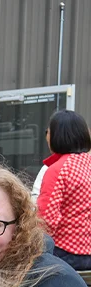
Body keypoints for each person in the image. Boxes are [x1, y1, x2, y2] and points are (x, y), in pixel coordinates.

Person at [36, 109, 91, 270]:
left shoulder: (58, 169)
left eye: (48, 131)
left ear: (56, 136)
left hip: (66, 254)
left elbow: (46, 220)